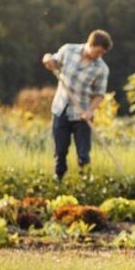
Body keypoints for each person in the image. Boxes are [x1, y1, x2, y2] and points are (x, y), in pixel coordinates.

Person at [42, 30, 112, 182]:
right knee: (60, 151)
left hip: (82, 115)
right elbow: (52, 61)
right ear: (90, 44)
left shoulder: (101, 68)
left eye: (102, 53)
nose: (99, 56)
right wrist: (48, 59)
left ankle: (85, 183)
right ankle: (58, 180)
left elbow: (99, 94)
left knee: (83, 154)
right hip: (61, 108)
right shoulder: (68, 50)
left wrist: (89, 111)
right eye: (98, 51)